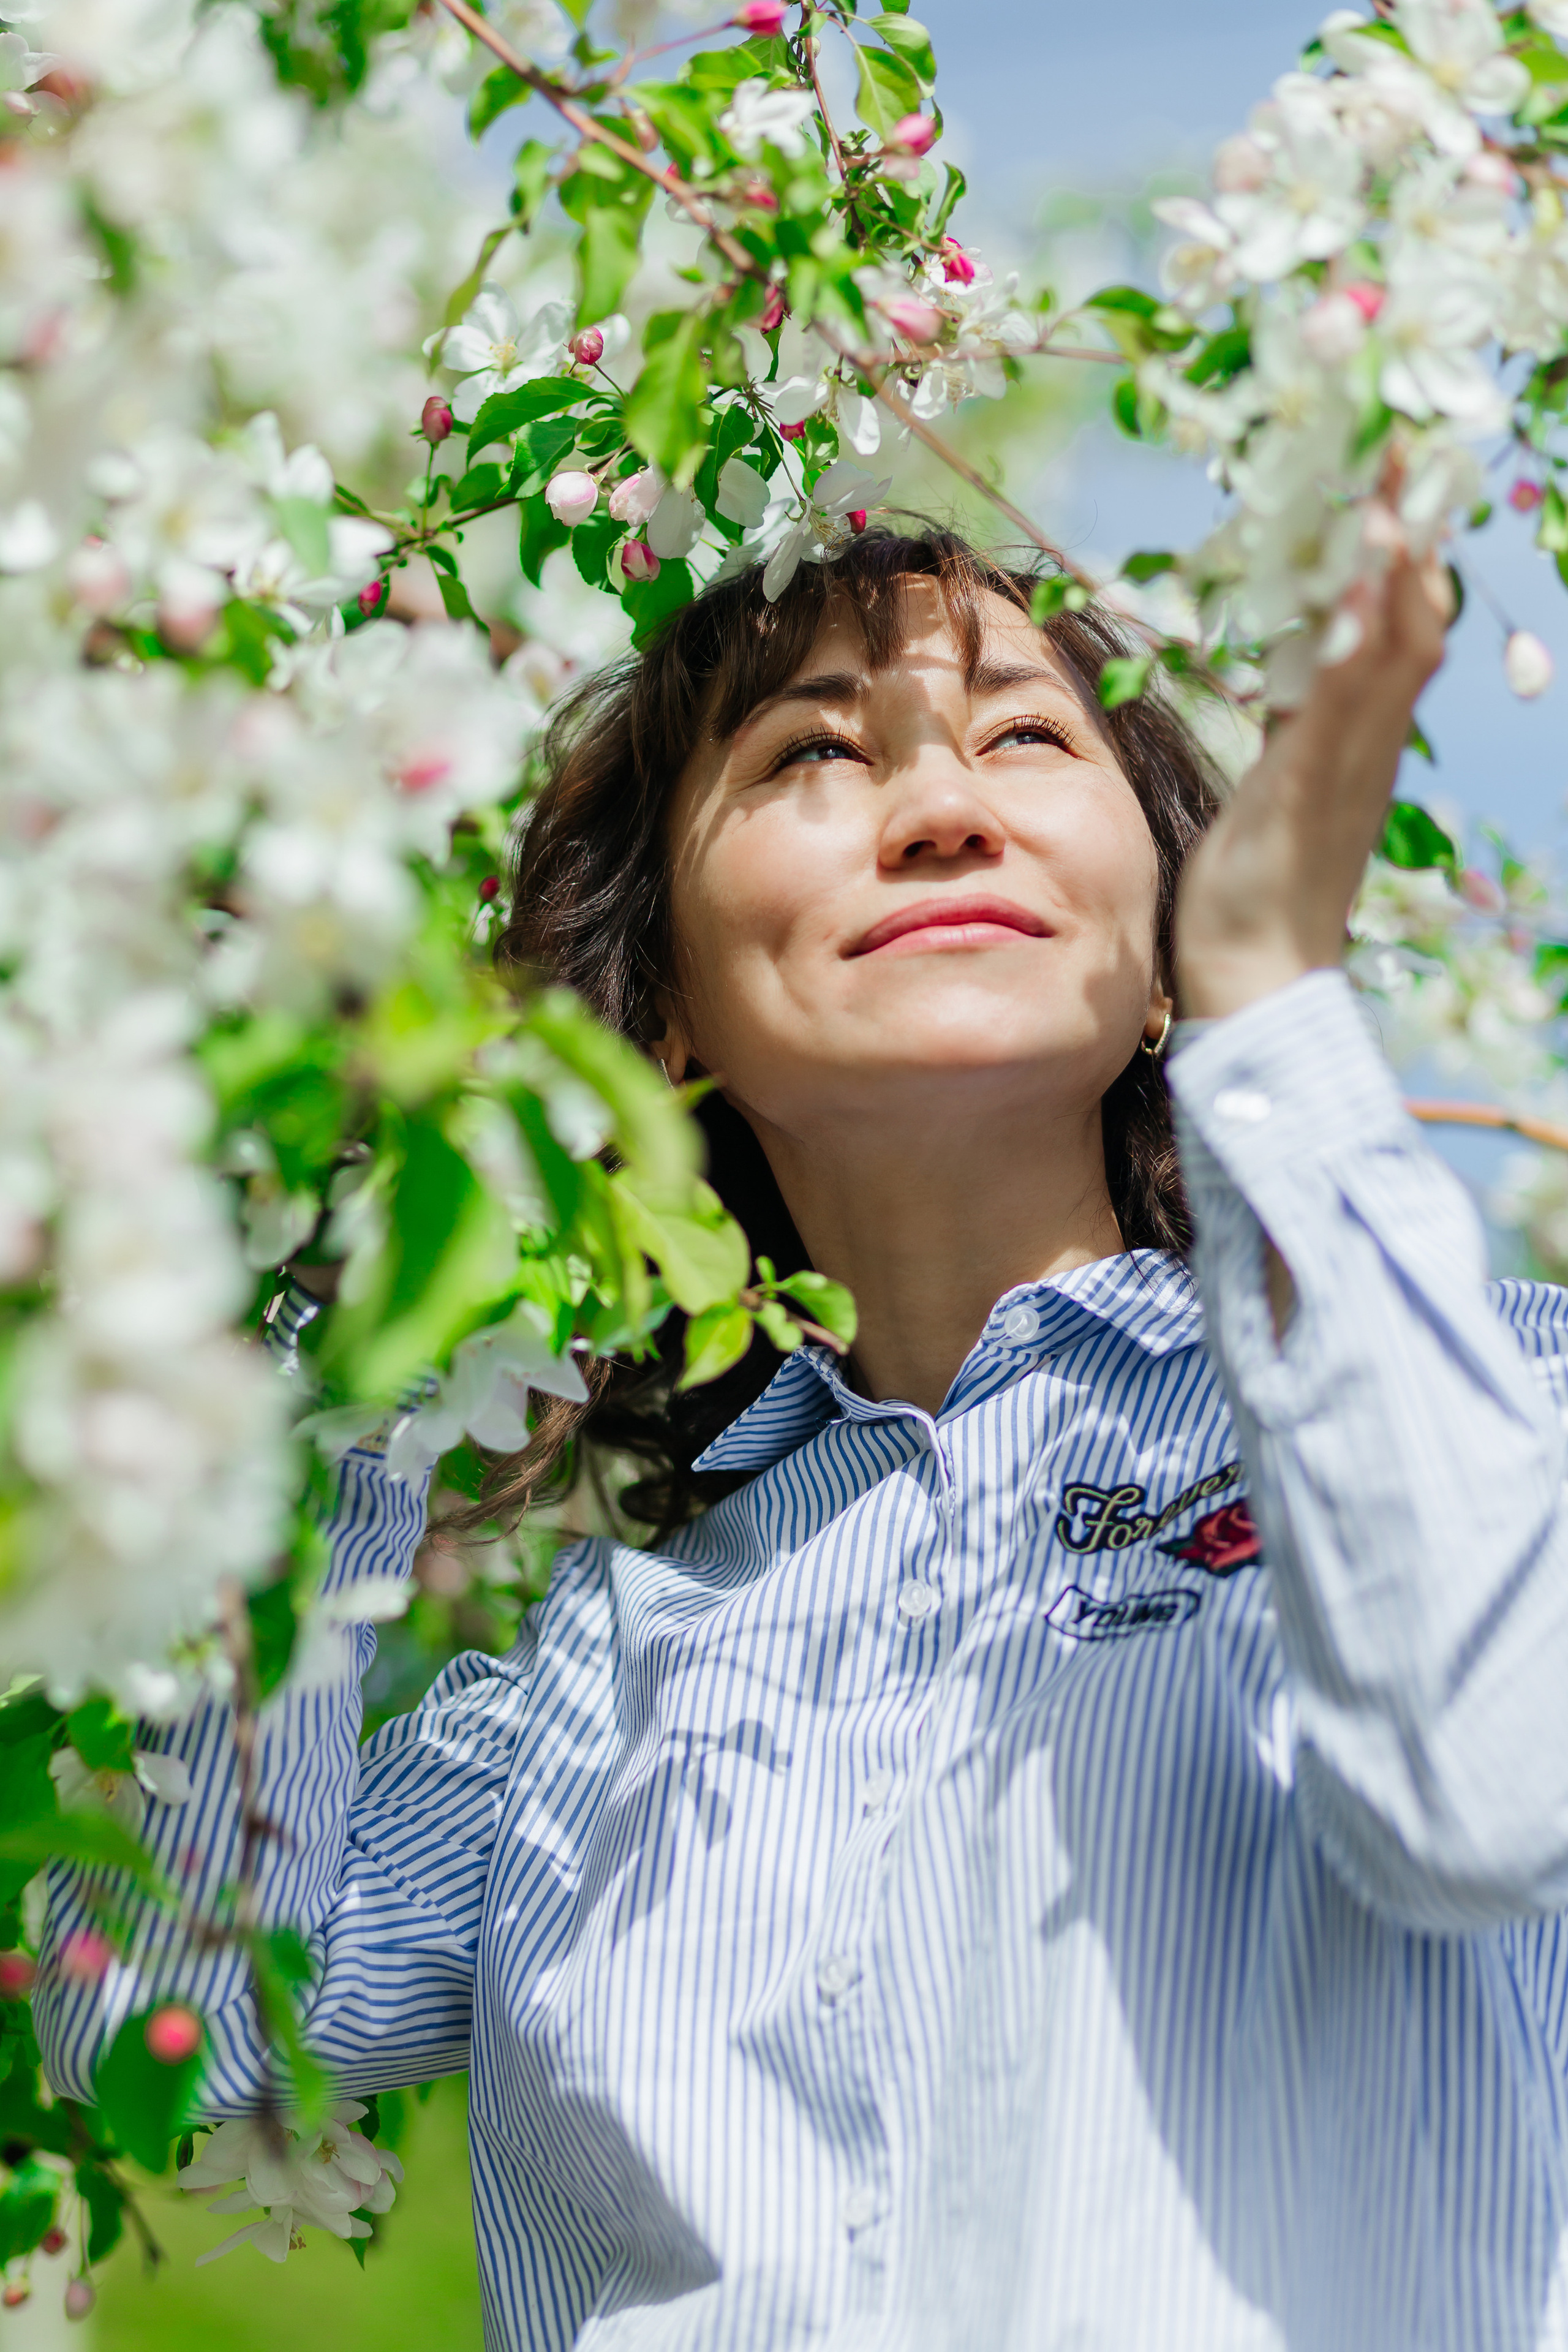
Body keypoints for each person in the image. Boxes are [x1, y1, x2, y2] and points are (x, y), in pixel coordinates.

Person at [36, 526, 1568, 2352]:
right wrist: (339, 1277)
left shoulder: (1493, 1394)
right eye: (814, 754)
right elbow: (174, 2039)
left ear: (1162, 950)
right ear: (666, 1021)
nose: (938, 809)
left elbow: (1486, 1790)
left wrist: (1275, 1020)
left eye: (1025, 740)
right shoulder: (586, 1656)